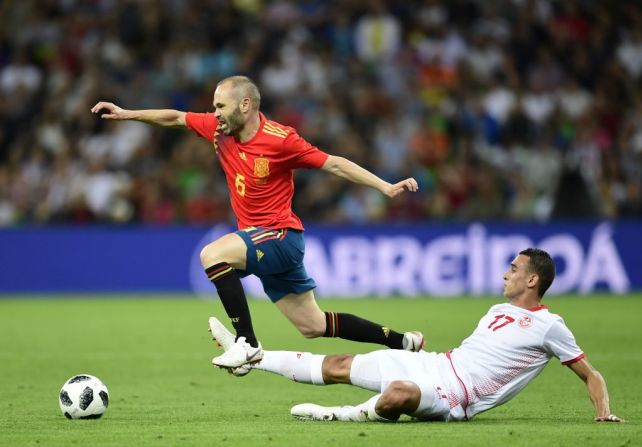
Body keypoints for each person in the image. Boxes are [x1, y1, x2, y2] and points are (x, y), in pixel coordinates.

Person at [91, 75, 423, 369]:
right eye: (214, 106)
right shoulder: (219, 130)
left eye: (221, 105)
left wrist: (384, 185)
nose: (215, 112)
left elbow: (333, 163)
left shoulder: (281, 140)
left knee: (212, 255)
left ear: (245, 104)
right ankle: (402, 341)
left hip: (281, 236)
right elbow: (176, 117)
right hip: (260, 241)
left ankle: (247, 342)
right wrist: (127, 113)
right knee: (313, 325)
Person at [209, 248, 624, 423]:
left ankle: (339, 415)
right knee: (337, 364)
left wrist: (602, 411)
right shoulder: (498, 310)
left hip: (458, 396)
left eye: (513, 269)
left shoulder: (551, 326)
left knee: (400, 394)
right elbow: (477, 353)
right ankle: (252, 356)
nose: (505, 273)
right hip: (439, 364)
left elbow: (591, 375)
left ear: (533, 279)